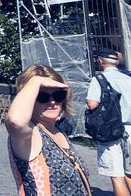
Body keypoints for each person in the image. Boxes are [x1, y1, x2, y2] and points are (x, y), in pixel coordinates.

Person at [7, 64, 90, 195]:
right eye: (42, 96)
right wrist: (36, 80)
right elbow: (15, 121)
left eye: (58, 95)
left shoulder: (56, 130)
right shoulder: (31, 134)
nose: (52, 102)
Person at [86, 49, 131, 196]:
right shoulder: (129, 77)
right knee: (129, 172)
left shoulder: (99, 79)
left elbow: (92, 104)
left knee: (116, 174)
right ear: (116, 62)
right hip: (130, 129)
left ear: (100, 61)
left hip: (111, 130)